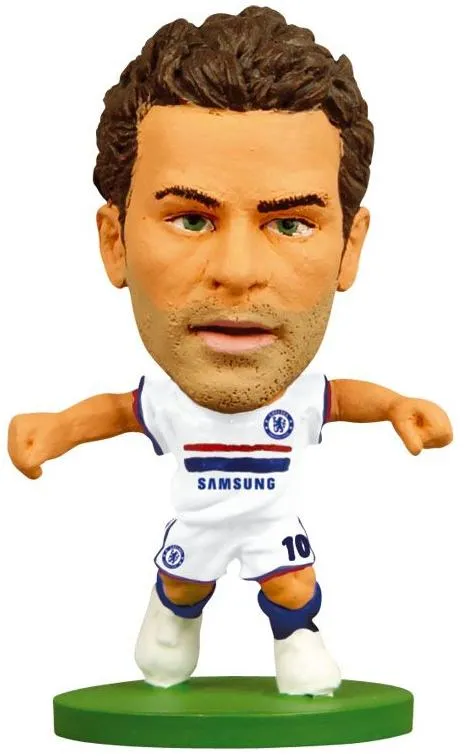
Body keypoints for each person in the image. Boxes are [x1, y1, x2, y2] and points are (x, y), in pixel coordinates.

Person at [7, 5, 452, 696]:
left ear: (349, 248)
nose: (238, 272)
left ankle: (299, 646)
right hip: (199, 522)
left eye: (291, 224)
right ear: (115, 242)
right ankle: (171, 622)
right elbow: (119, 412)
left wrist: (396, 406)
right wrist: (58, 428)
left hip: (272, 522)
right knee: (183, 585)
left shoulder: (303, 399)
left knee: (293, 583)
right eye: (190, 219)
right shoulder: (169, 403)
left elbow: (343, 400)